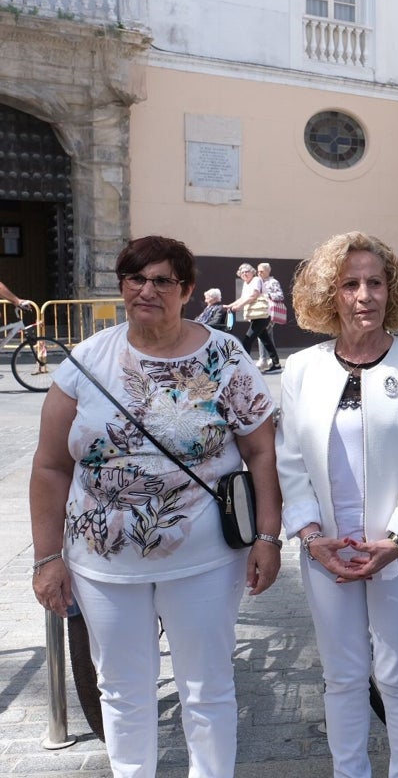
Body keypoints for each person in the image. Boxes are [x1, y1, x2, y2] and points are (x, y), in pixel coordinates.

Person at [28, 235, 283, 777]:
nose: (146, 290)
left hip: (206, 558)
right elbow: (51, 465)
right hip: (103, 565)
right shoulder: (87, 362)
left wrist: (268, 537)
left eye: (162, 280)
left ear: (187, 290)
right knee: (120, 689)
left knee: (207, 687)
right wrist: (47, 557)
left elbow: (262, 452)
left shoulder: (224, 355)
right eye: (135, 278)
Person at [275, 231, 398, 778]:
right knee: (343, 677)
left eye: (376, 282)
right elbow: (290, 463)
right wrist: (311, 539)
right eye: (350, 284)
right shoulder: (301, 369)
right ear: (331, 295)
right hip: (325, 552)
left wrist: (396, 543)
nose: (364, 295)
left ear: (392, 290)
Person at [225, 262, 280, 372]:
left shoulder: (256, 280)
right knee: (266, 340)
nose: (244, 273)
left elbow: (253, 296)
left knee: (247, 340)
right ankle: (276, 364)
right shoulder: (246, 283)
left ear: (252, 272)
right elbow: (242, 298)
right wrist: (229, 306)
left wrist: (239, 307)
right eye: (242, 272)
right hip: (256, 316)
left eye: (247, 271)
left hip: (262, 316)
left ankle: (244, 366)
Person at [257, 262, 286, 369]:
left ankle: (264, 359)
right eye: (258, 271)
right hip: (259, 312)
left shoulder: (273, 282)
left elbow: (280, 296)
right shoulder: (257, 281)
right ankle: (272, 359)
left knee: (262, 334)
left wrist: (267, 294)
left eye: (261, 271)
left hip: (269, 312)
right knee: (267, 336)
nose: (259, 273)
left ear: (268, 271)